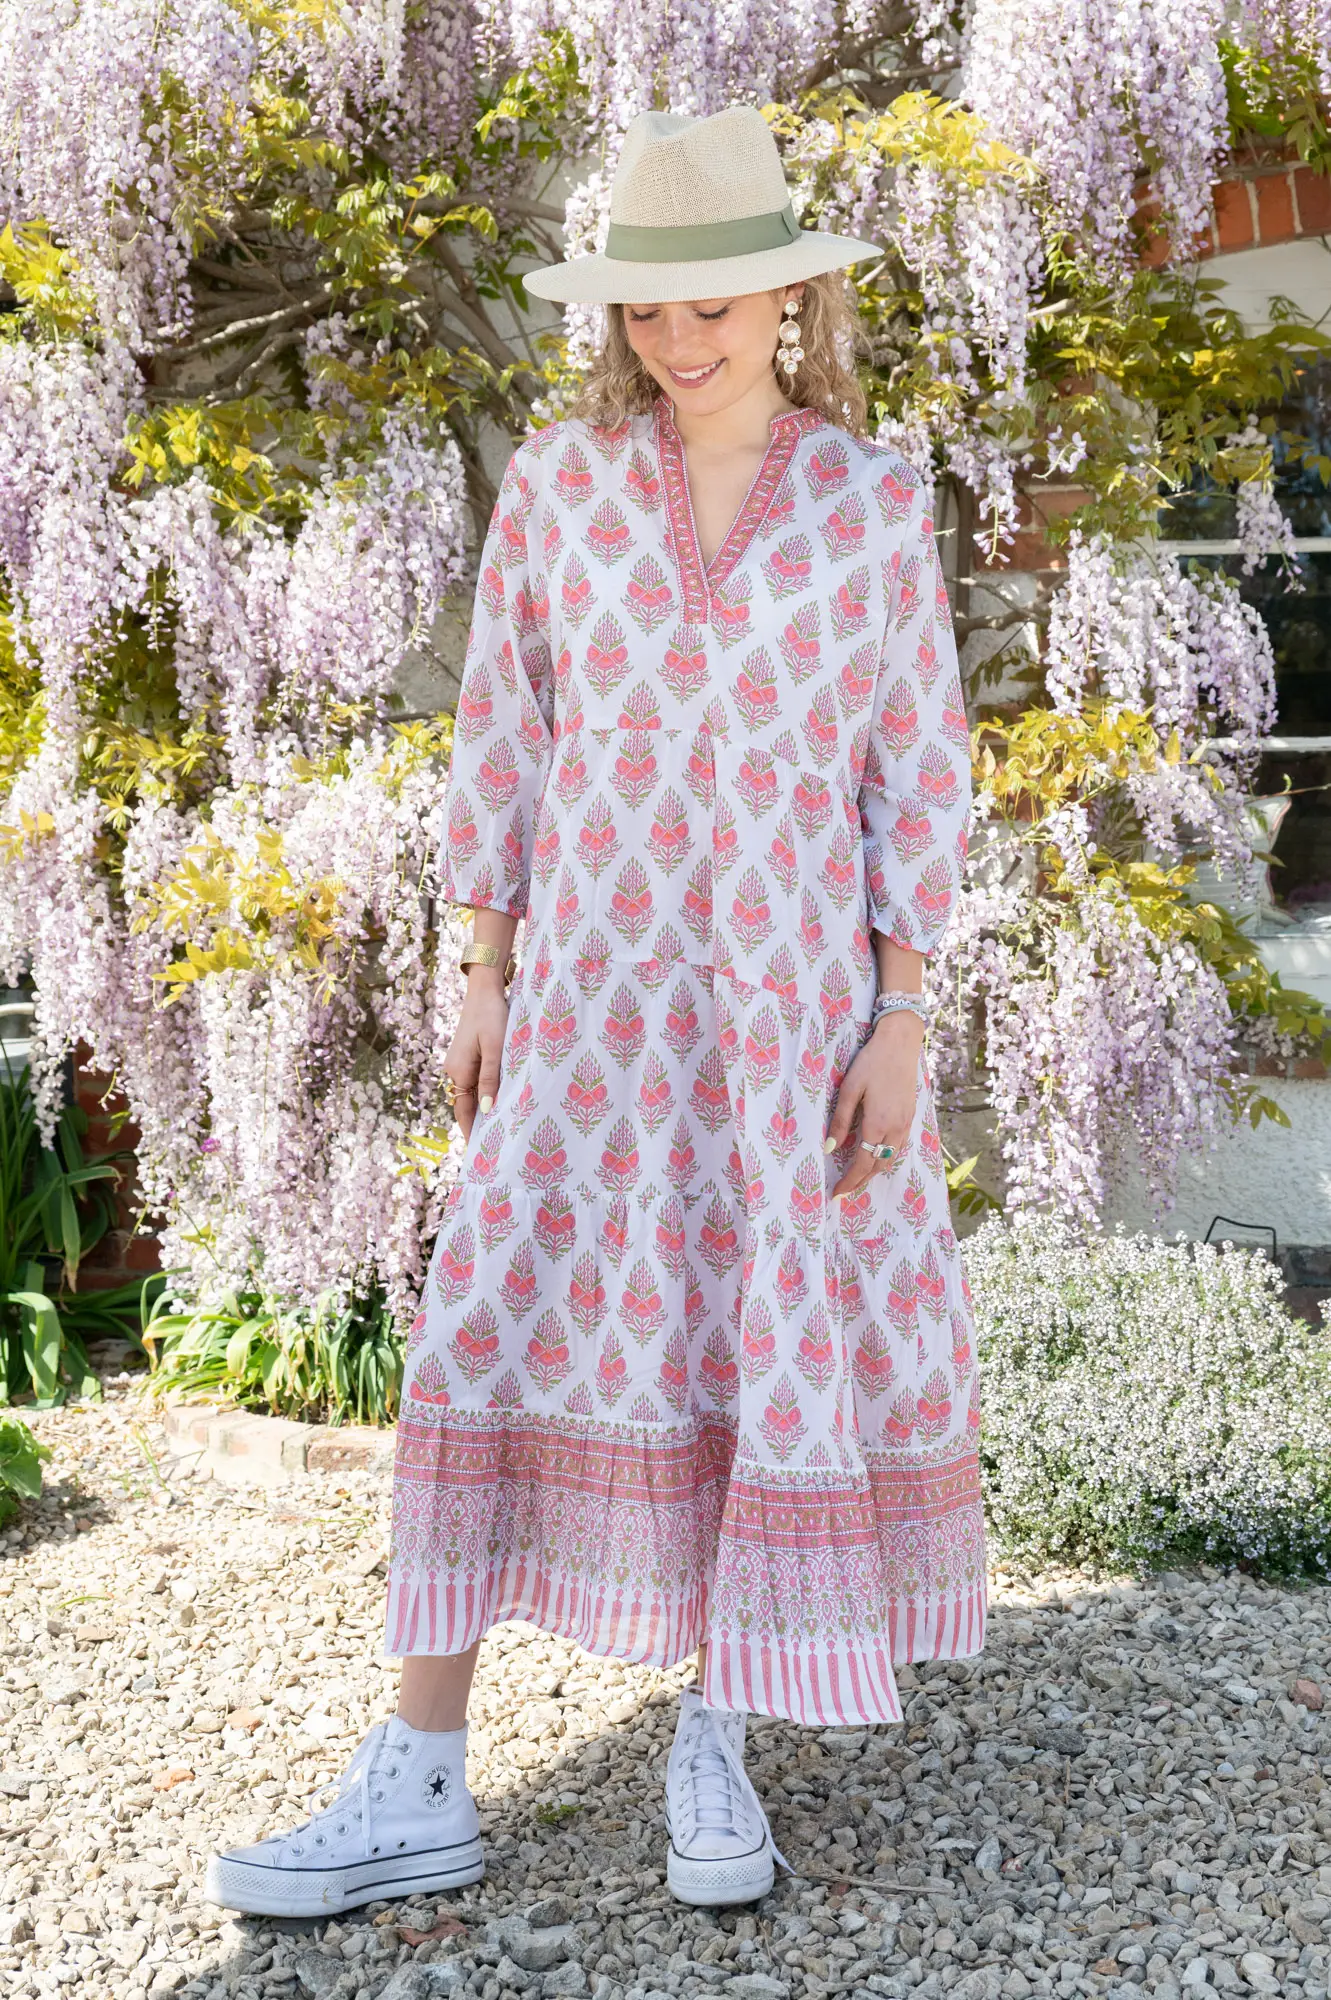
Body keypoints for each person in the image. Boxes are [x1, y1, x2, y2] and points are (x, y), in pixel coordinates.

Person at [206, 101, 985, 1923]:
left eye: (711, 302)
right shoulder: (560, 487)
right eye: (647, 306)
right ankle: (419, 1770)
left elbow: (914, 773)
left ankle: (715, 1731)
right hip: (584, 1009)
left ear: (788, 296)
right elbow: (502, 733)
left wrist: (901, 1014)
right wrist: (475, 968)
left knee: (747, 1344)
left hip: (787, 1021)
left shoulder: (872, 503)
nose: (678, 337)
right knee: (488, 1321)